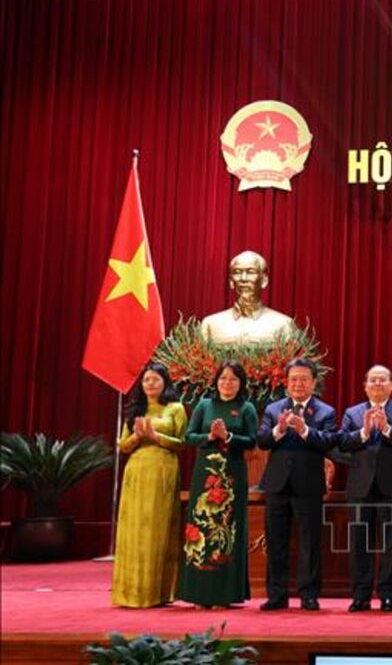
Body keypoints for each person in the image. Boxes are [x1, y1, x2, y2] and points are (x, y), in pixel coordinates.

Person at [256, 357, 336, 611]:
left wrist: (304, 430)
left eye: (303, 379)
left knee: (309, 542)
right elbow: (262, 441)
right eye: (293, 379)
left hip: (308, 485)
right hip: (277, 484)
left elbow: (329, 442)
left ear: (313, 382)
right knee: (275, 542)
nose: (298, 384)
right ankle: (276, 595)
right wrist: (278, 430)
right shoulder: (274, 409)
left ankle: (309, 595)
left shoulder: (325, 412)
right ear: (286, 382)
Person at [335, 365, 392, 612]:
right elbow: (342, 443)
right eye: (373, 380)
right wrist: (364, 431)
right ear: (365, 386)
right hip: (361, 487)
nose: (377, 384)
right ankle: (360, 595)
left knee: (391, 543)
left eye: (382, 380)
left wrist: (387, 429)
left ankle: (388, 595)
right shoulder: (353, 412)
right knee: (359, 543)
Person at [178, 360, 259, 609]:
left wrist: (228, 437)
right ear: (216, 381)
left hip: (232, 474)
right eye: (223, 378)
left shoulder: (246, 408)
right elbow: (189, 436)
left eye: (233, 379)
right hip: (205, 474)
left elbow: (252, 441)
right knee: (201, 525)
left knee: (227, 528)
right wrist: (211, 436)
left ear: (241, 383)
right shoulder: (204, 405)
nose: (227, 383)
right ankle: (199, 594)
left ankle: (224, 594)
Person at [111, 362, 187, 608]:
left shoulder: (175, 408)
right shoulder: (136, 409)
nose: (151, 383)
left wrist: (156, 437)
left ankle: (158, 592)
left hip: (162, 470)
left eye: (155, 379)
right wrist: (137, 436)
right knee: (133, 529)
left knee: (157, 528)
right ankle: (130, 592)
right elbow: (123, 446)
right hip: (136, 470)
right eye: (146, 380)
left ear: (165, 382)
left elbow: (182, 442)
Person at [200, 250, 299, 345]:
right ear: (231, 281)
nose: (243, 278)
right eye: (237, 272)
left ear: (264, 280)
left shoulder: (283, 325)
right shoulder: (210, 325)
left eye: (251, 272)